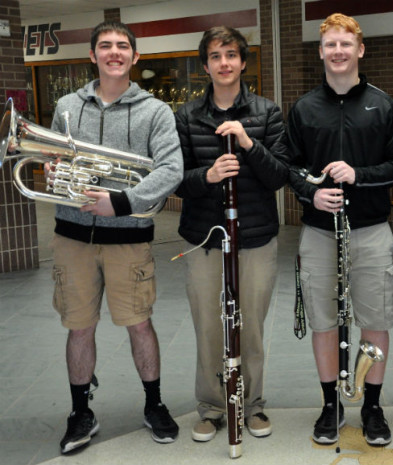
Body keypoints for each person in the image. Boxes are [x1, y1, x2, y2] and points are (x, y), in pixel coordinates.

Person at [48, 21, 183, 453]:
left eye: (122, 46)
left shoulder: (156, 111)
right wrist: (52, 171)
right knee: (79, 329)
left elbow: (170, 170)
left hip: (128, 236)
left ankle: (154, 403)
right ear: (92, 55)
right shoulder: (67, 106)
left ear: (135, 57)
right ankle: (79, 412)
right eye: (105, 46)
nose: (114, 52)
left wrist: (121, 202)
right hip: (73, 239)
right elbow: (54, 160)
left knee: (140, 324)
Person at [286, 13, 393, 446]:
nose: (338, 51)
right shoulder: (304, 108)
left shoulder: (382, 104)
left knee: (375, 322)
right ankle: (330, 405)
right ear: (321, 51)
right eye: (330, 44)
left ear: (360, 49)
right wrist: (310, 194)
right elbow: (290, 165)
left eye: (346, 43)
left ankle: (372, 406)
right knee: (323, 322)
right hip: (320, 233)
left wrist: (359, 175)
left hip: (371, 230)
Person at [174, 26, 289, 442]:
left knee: (251, 326)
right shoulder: (186, 116)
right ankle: (210, 406)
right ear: (205, 65)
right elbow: (175, 180)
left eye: (232, 55)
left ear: (243, 61)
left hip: (255, 238)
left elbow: (280, 176)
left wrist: (248, 144)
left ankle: (252, 403)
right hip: (204, 240)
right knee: (208, 324)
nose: (225, 63)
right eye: (216, 56)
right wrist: (206, 176)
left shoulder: (267, 113)